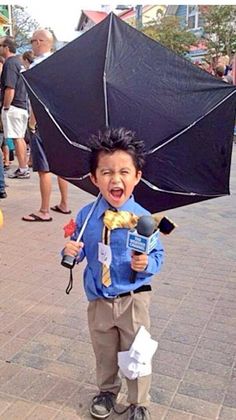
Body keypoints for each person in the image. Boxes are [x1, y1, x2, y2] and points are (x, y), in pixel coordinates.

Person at [62, 128, 164, 420]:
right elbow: (79, 249)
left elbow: (158, 255)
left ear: (137, 176)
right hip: (99, 300)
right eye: (106, 172)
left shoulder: (145, 219)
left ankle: (138, 402)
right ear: (94, 178)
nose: (115, 179)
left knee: (137, 354)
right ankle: (107, 391)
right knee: (104, 352)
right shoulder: (85, 216)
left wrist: (148, 263)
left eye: (123, 171)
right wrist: (70, 251)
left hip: (134, 300)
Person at [22, 29, 70, 222]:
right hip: (58, 122)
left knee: (44, 168)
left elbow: (37, 99)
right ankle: (64, 203)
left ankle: (44, 211)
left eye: (33, 40)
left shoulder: (38, 67)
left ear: (41, 41)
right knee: (60, 167)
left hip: (42, 123)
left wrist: (32, 122)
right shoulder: (58, 65)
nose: (32, 44)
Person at [0, 36, 29, 179]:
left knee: (17, 138)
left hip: (14, 106)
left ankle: (23, 169)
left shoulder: (10, 63)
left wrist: (6, 106)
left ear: (6, 47)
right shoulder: (18, 63)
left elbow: (9, 87)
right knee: (20, 138)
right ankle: (23, 168)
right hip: (21, 105)